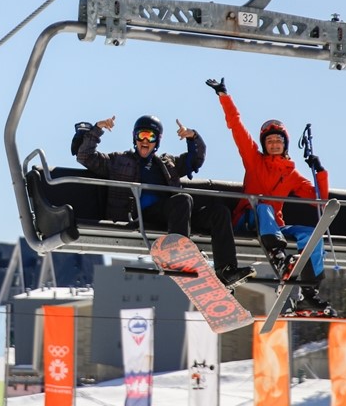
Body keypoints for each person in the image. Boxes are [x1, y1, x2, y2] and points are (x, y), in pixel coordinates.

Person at [75, 113, 255, 287]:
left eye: (150, 136)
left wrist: (193, 137)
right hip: (140, 215)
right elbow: (85, 156)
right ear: (135, 138)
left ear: (157, 141)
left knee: (219, 212)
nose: (145, 141)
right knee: (182, 199)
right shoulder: (119, 161)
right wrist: (98, 129)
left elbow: (195, 160)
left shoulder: (167, 164)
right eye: (141, 135)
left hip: (174, 216)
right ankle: (177, 253)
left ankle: (226, 270)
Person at [205, 77, 335, 315]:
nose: (274, 144)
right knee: (263, 205)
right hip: (249, 218)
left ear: (285, 144)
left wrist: (319, 171)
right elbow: (237, 127)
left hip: (274, 226)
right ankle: (277, 256)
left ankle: (308, 293)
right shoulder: (255, 161)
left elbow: (320, 201)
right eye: (270, 141)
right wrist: (224, 97)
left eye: (279, 141)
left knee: (311, 234)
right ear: (264, 144)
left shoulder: (292, 174)